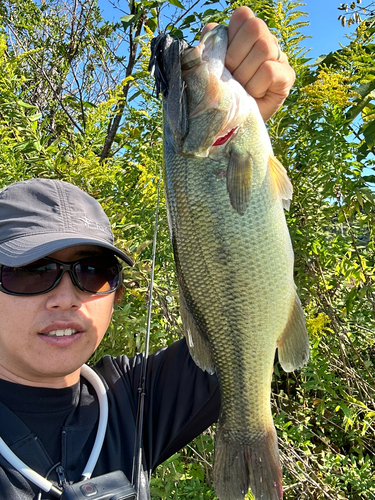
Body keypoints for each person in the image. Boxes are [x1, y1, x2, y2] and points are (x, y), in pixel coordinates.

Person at [0, 7, 295, 500]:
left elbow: (241, 315)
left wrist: (251, 123)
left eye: (92, 271)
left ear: (114, 291)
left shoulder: (133, 398)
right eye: (33, 272)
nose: (66, 296)